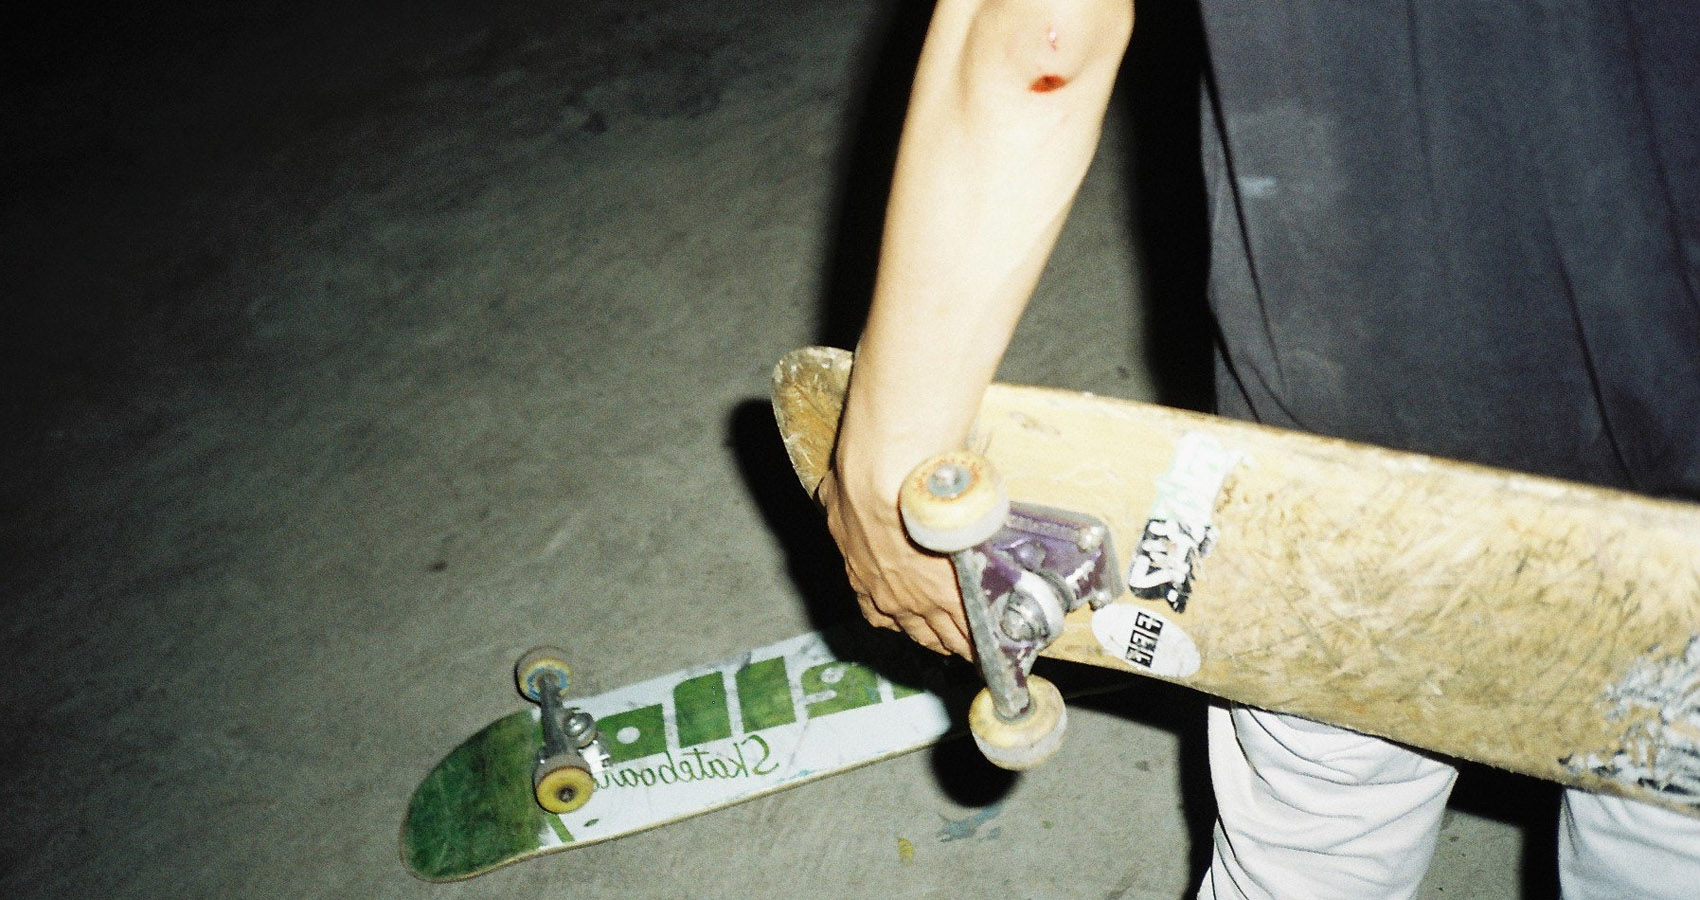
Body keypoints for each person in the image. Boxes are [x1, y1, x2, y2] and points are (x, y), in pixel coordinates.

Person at [815, 1, 1700, 897]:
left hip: (1335, 462)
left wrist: (889, 470)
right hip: (1678, 499)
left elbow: (1040, 35)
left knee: (1310, 848)